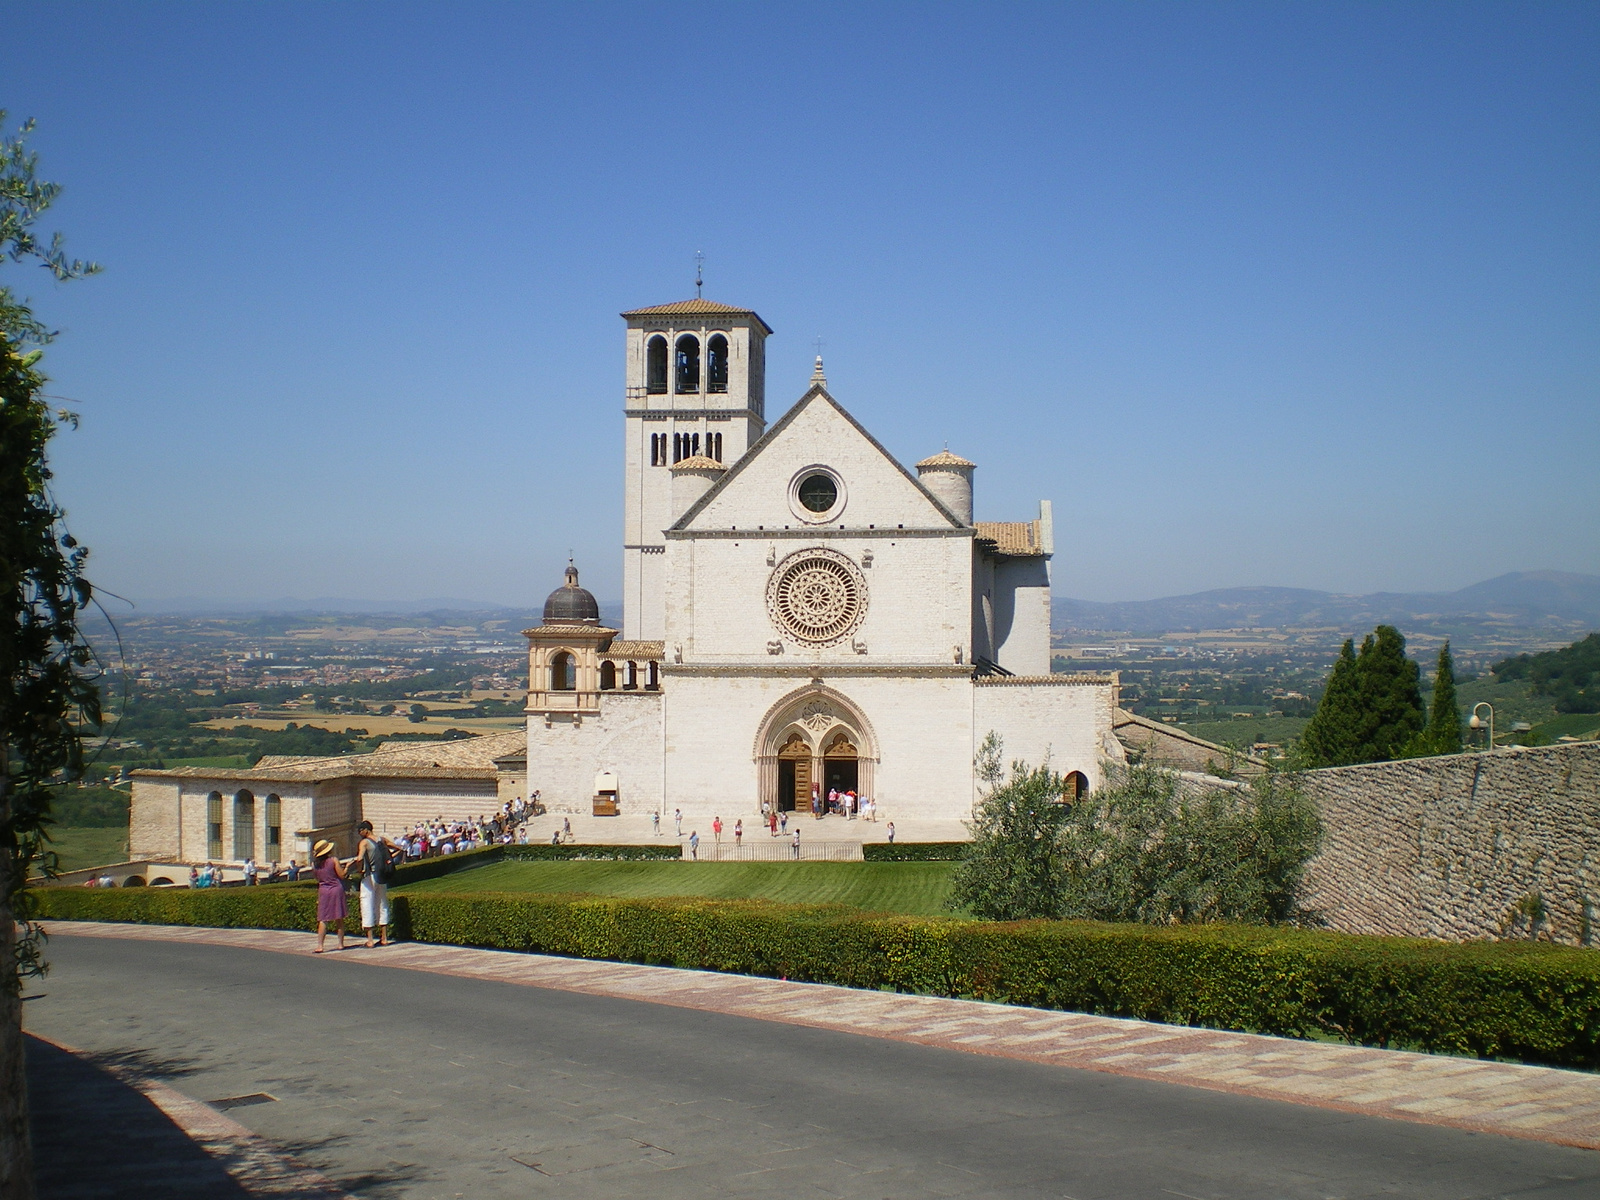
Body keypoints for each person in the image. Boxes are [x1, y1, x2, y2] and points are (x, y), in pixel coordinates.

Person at [355, 820, 403, 948]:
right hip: (382, 876)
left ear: (366, 830)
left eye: (360, 830)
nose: (360, 833)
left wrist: (360, 869)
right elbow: (399, 848)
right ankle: (384, 938)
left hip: (370, 876)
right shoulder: (382, 840)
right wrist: (391, 858)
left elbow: (360, 858)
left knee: (367, 903)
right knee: (382, 903)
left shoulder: (364, 842)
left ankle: (370, 939)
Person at [312, 839, 348, 953]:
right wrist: (347, 867)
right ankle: (340, 944)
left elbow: (317, 878)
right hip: (336, 889)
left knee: (323, 919)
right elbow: (341, 875)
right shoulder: (333, 860)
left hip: (323, 890)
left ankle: (320, 945)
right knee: (339, 917)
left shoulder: (314, 865)